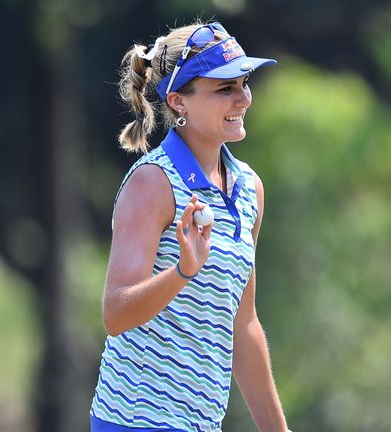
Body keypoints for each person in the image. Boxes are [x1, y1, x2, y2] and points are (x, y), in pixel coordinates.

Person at [90, 20, 289, 432]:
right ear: (179, 102)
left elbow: (243, 324)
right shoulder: (152, 183)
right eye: (224, 89)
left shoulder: (249, 188)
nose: (243, 99)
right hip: (135, 421)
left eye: (244, 84)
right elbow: (115, 313)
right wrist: (182, 271)